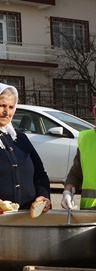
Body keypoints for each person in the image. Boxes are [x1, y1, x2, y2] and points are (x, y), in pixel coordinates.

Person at [0, 83, 51, 213]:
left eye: (11, 107)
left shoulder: (19, 137)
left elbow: (40, 174)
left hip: (26, 218)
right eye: (2, 106)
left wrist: (43, 196)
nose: (7, 112)